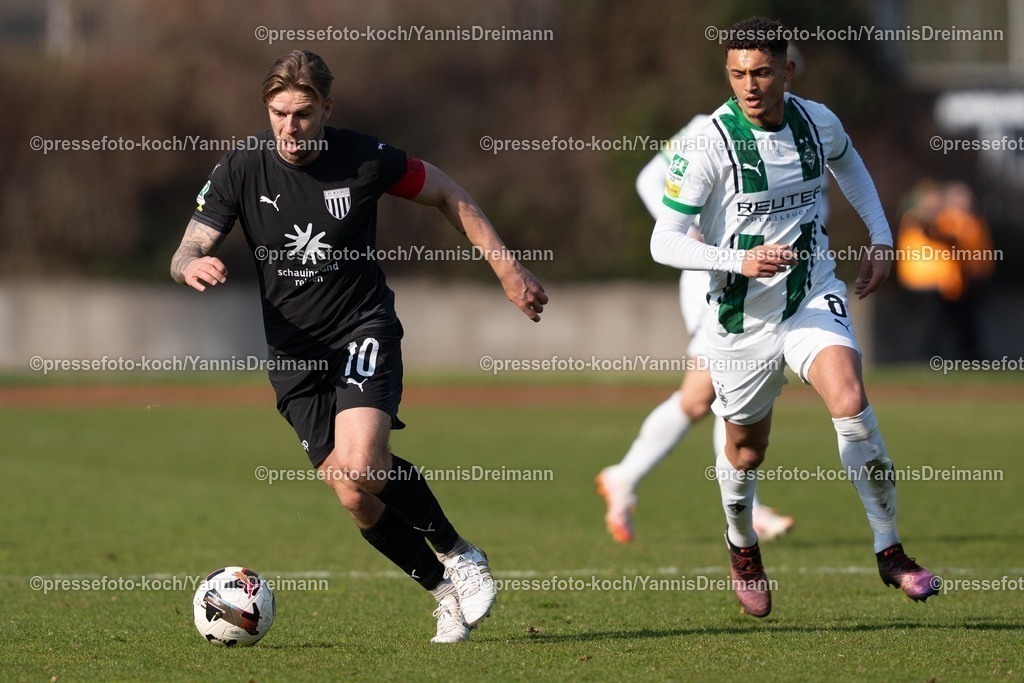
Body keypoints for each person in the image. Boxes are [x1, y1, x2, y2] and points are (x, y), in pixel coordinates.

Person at [170, 50, 548, 642]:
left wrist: (507, 270)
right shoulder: (241, 167)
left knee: (365, 465)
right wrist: (192, 265)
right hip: (294, 355)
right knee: (352, 493)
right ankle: (444, 593)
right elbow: (186, 247)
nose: (289, 128)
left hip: (360, 328)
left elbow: (449, 192)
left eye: (302, 114)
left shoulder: (366, 157)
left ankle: (460, 554)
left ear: (327, 109)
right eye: (278, 114)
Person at [649, 17, 938, 618]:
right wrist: (738, 258)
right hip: (739, 320)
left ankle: (890, 550)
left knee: (851, 400)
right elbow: (663, 241)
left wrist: (881, 238)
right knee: (746, 452)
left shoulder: (817, 121)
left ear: (787, 68)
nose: (747, 86)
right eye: (735, 74)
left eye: (758, 72)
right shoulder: (709, 143)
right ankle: (742, 544)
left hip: (811, 293)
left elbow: (849, 164)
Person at [596, 45, 817, 546]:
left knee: (710, 393)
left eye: (774, 73)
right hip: (712, 279)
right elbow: (650, 178)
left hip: (767, 283)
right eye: (748, 73)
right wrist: (691, 234)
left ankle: (627, 478)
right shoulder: (708, 129)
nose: (761, 84)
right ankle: (743, 507)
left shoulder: (801, 132)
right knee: (714, 389)